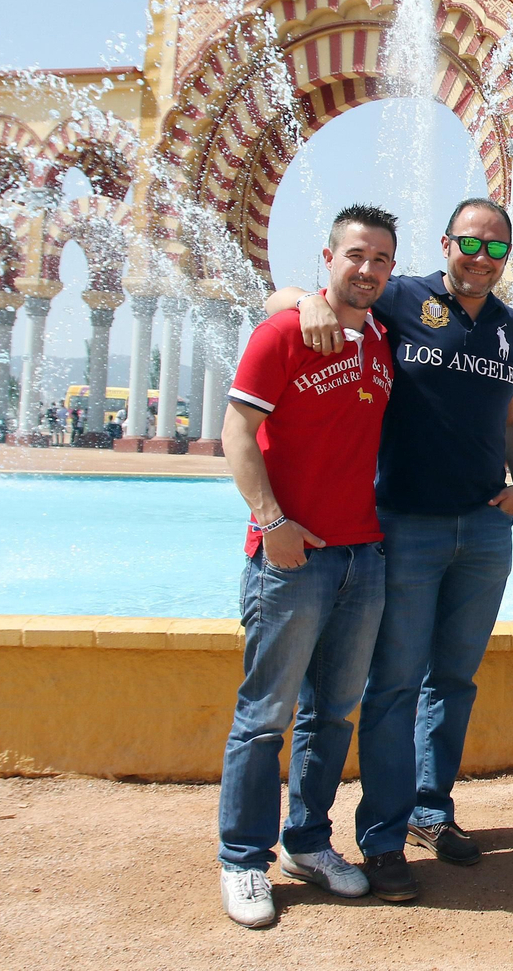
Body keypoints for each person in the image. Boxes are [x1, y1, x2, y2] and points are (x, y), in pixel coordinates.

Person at [269, 197, 513, 902]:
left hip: (484, 527)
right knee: (393, 685)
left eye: (496, 248)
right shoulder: (399, 297)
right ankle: (383, 839)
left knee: (454, 679)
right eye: (470, 243)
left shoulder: (511, 327)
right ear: (446, 244)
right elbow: (289, 297)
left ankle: (429, 810)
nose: (481, 258)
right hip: (407, 525)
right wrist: (308, 303)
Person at [216, 205, 398, 928]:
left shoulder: (382, 337)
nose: (368, 269)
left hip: (363, 556)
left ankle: (308, 842)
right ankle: (242, 859)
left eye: (381, 259)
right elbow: (237, 430)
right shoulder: (284, 332)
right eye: (356, 255)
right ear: (329, 258)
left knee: (332, 714)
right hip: (291, 558)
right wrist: (271, 521)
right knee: (265, 715)